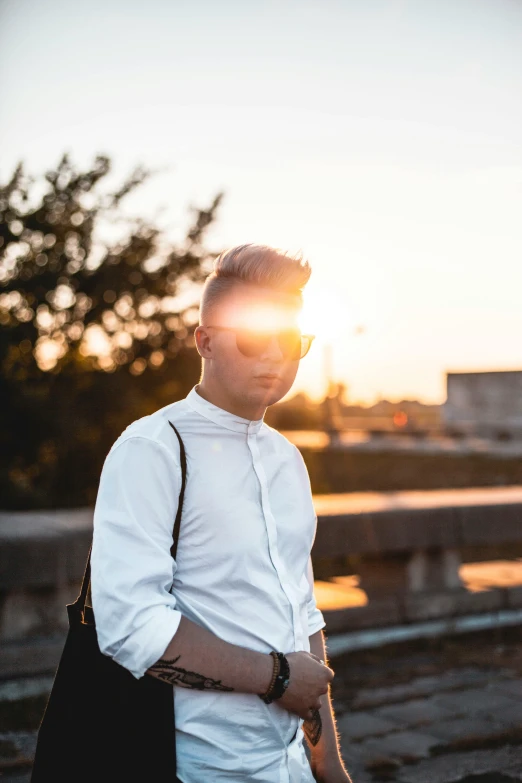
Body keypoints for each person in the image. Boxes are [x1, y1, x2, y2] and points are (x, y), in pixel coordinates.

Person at [91, 244, 352, 783]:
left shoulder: (286, 459)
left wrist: (328, 766)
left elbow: (302, 614)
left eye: (291, 341)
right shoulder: (153, 448)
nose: (275, 357)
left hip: (290, 765)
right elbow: (130, 626)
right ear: (204, 341)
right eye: (255, 337)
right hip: (199, 766)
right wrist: (279, 679)